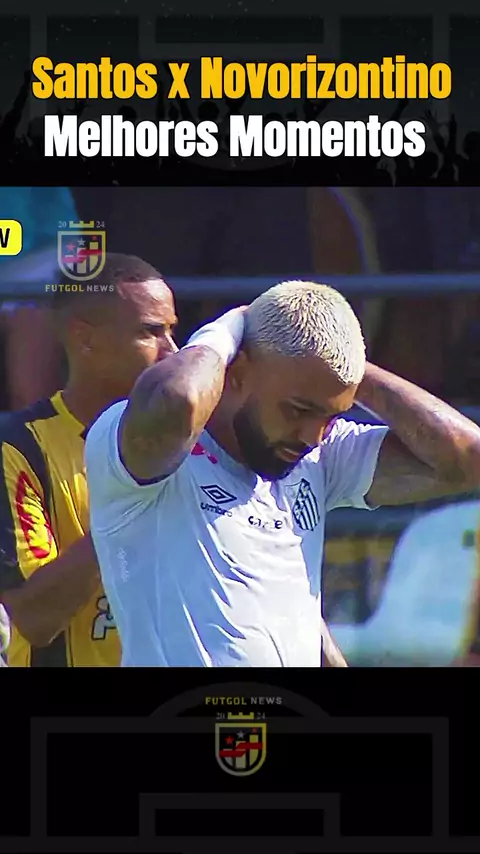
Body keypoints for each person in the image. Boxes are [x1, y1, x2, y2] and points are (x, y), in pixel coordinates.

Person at [85, 281, 480, 667]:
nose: (313, 436)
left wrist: (341, 366)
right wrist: (226, 331)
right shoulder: (142, 443)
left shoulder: (321, 453)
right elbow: (178, 398)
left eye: (330, 416)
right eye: (298, 409)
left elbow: (468, 459)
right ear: (237, 371)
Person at [0, 253, 178, 666]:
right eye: (151, 332)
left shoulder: (195, 441)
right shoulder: (19, 448)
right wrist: (130, 505)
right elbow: (33, 617)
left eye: (172, 330)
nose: (172, 352)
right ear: (85, 339)